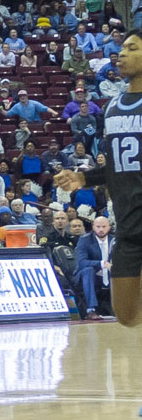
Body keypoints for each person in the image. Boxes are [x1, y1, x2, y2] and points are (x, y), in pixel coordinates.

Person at [56, 31, 142, 326]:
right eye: (123, 48)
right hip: (128, 226)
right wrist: (82, 178)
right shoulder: (113, 106)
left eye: (133, 48)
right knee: (127, 315)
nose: (123, 54)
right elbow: (117, 166)